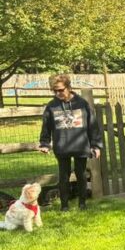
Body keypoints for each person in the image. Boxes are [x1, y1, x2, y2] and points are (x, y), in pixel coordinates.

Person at [38, 74, 103, 211]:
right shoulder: (52, 106)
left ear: (69, 87)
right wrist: (44, 144)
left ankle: (82, 204)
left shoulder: (82, 104)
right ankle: (64, 205)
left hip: (80, 145)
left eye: (61, 90)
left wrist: (96, 145)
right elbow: (46, 126)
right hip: (62, 147)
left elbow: (92, 125)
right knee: (63, 177)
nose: (58, 93)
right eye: (55, 91)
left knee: (81, 175)